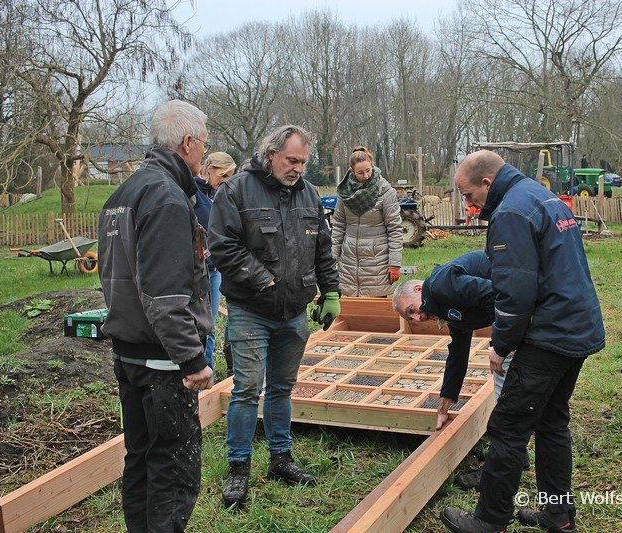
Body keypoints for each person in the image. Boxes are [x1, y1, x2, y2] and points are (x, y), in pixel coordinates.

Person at [440, 150, 605, 533]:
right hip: (576, 326)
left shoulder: (511, 213)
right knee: (551, 422)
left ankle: (490, 520)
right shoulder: (539, 195)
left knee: (507, 428)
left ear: (487, 182)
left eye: (469, 195)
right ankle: (558, 516)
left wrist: (501, 345)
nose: (469, 204)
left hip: (549, 335)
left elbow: (514, 291)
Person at [208, 125, 340, 508]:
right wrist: (262, 279)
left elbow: (323, 249)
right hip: (251, 310)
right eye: (292, 160)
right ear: (271, 155)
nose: (298, 168)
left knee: (282, 388)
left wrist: (331, 292)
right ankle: (238, 468)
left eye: (303, 162)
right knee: (247, 389)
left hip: (294, 313)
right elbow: (222, 246)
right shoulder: (235, 191)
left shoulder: (309, 194)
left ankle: (281, 458)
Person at [98, 99, 214, 532]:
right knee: (171, 469)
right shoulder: (165, 198)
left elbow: (116, 278)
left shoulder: (124, 193)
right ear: (187, 142)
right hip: (162, 362)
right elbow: (165, 297)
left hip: (129, 352)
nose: (204, 152)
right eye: (204, 144)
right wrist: (192, 360)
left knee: (141, 460)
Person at [392, 250, 530, 488]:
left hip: (523, 308)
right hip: (518, 313)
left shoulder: (440, 285)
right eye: (410, 318)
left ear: (418, 289)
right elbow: (458, 352)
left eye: (411, 310)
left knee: (505, 397)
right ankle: (514, 456)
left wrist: (502, 344)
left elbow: (495, 295)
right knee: (508, 393)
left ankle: (499, 471)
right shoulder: (442, 304)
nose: (416, 319)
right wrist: (446, 401)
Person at [331, 146, 402, 297]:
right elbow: (338, 226)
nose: (366, 176)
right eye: (360, 173)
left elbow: (394, 228)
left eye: (368, 170)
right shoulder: (344, 193)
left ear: (372, 165)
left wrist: (395, 264)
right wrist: (332, 259)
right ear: (352, 171)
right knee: (351, 309)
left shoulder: (385, 191)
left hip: (377, 263)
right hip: (349, 262)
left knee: (375, 309)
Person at [193, 152, 237, 374]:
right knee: (200, 324)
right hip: (198, 269)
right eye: (224, 175)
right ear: (210, 169)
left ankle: (207, 370)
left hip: (215, 269)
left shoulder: (216, 194)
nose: (227, 180)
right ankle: (198, 369)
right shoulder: (193, 193)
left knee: (210, 325)